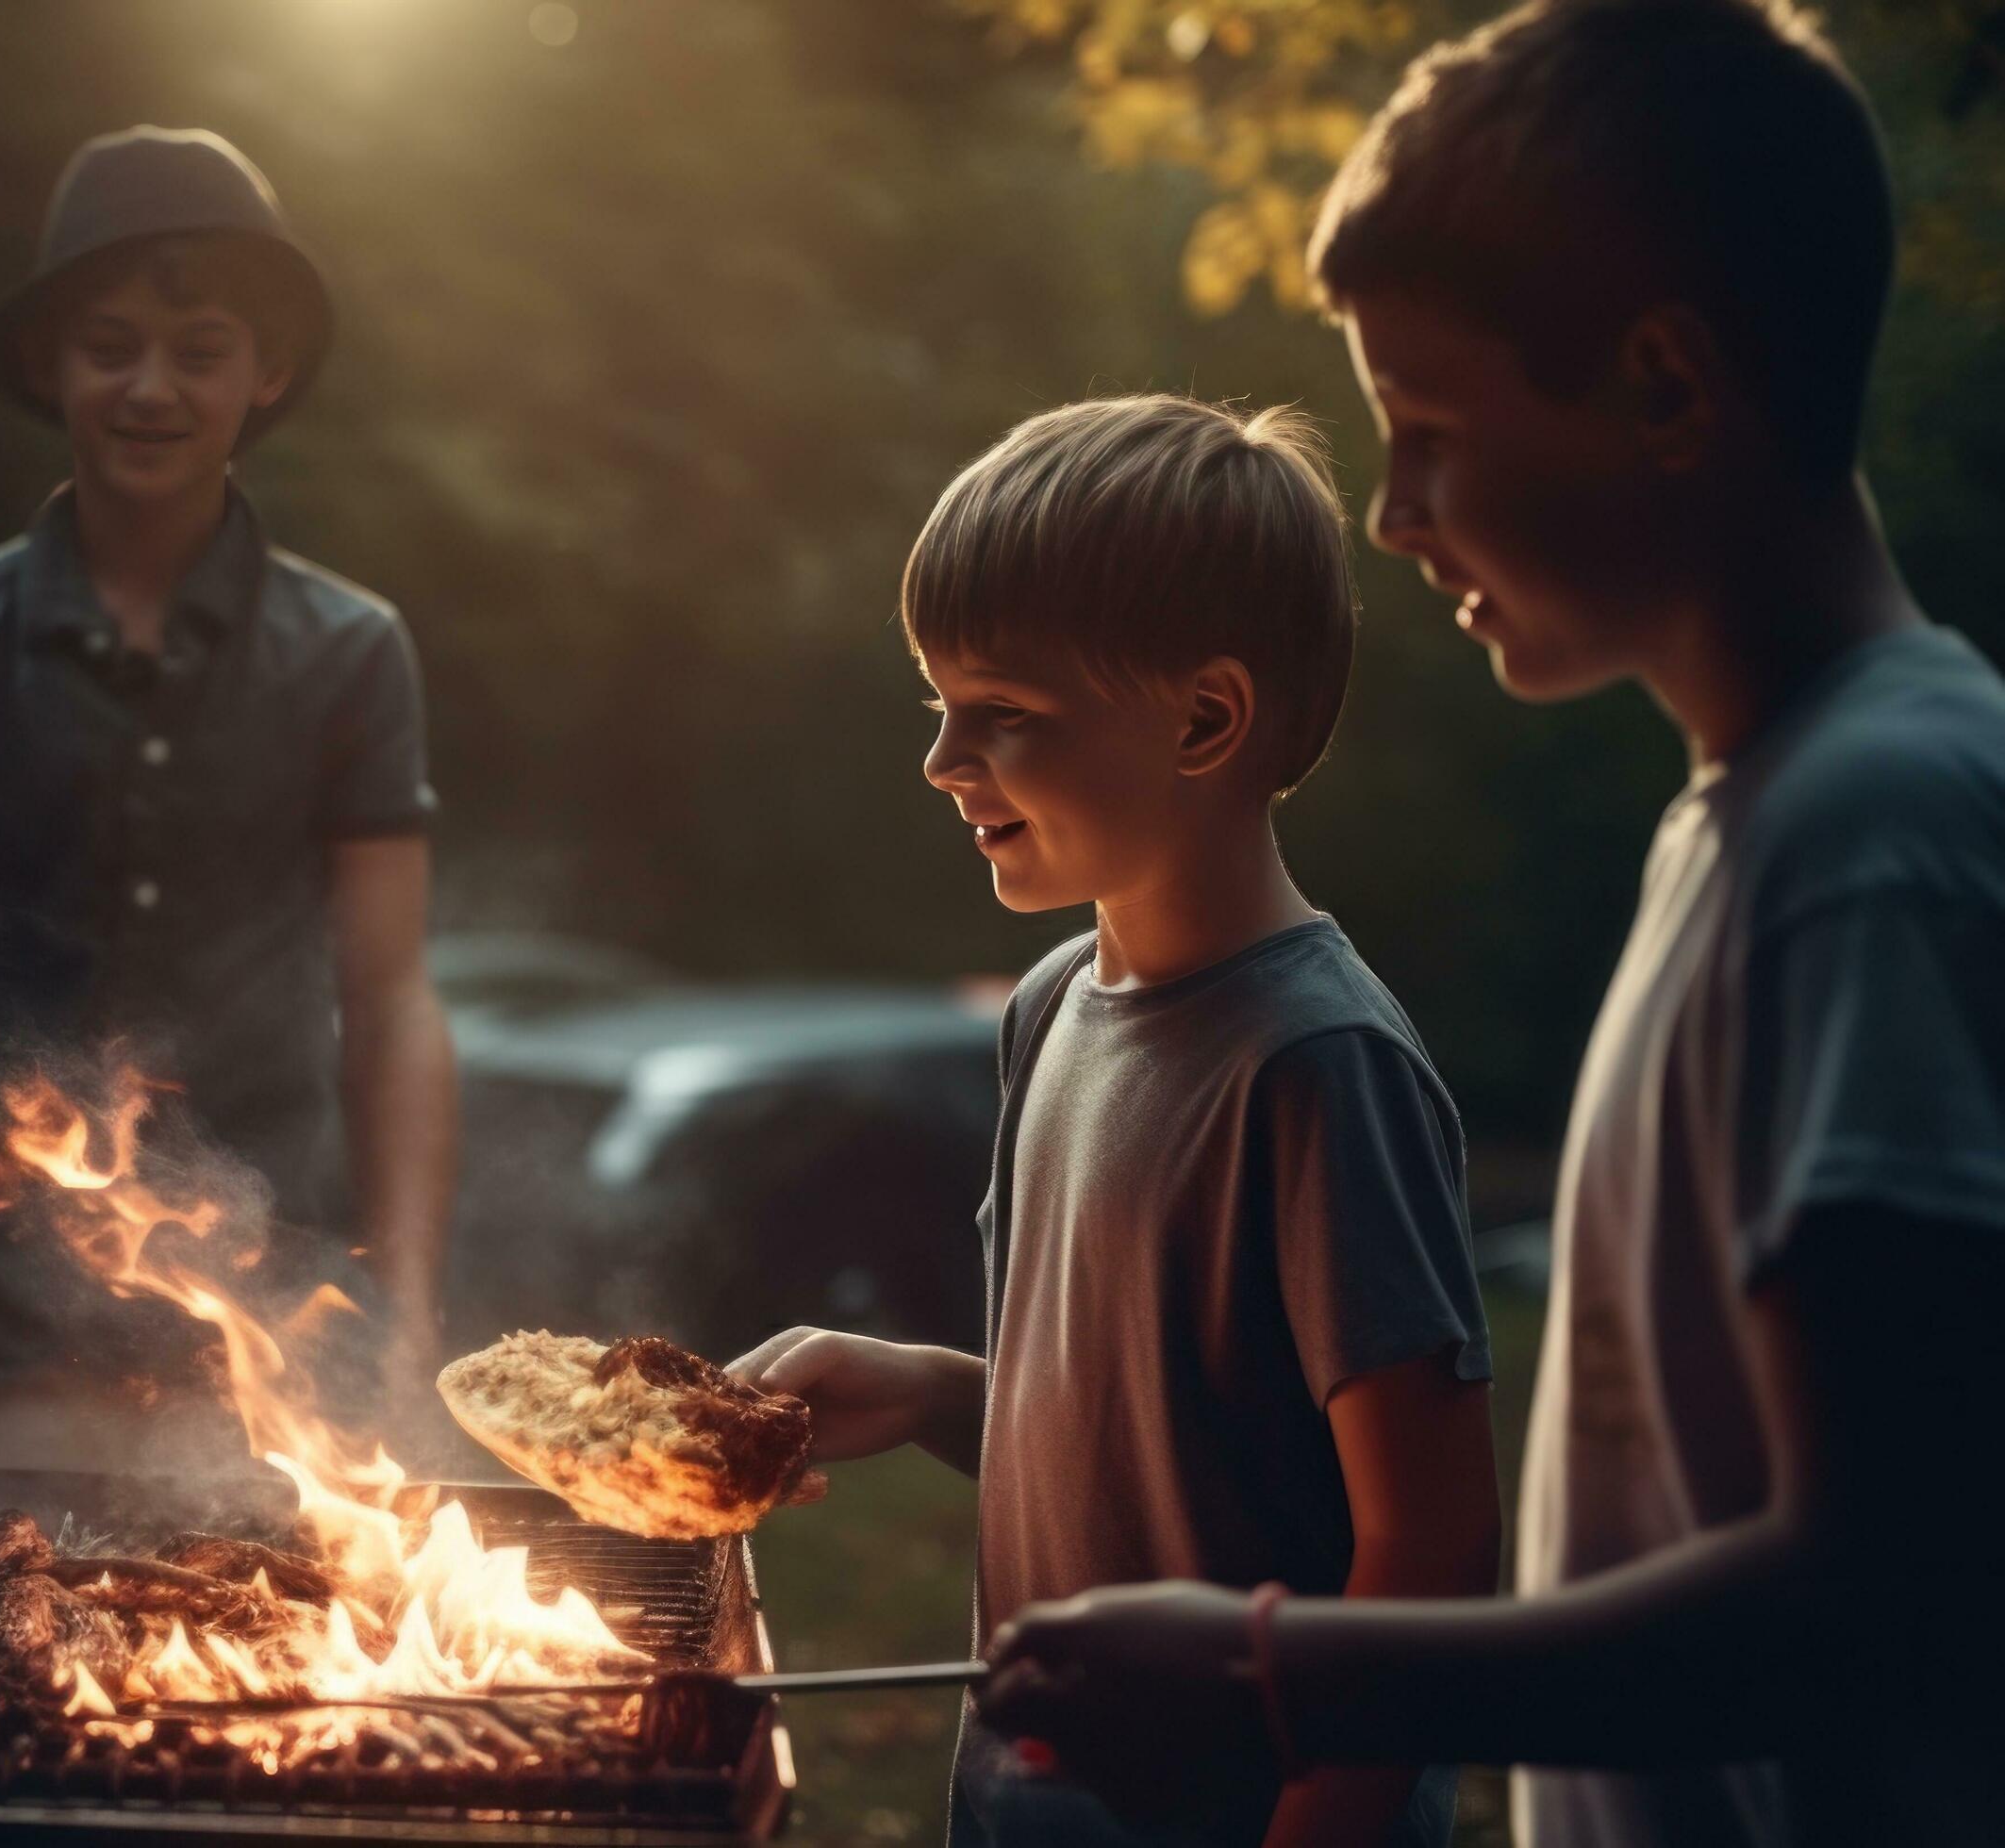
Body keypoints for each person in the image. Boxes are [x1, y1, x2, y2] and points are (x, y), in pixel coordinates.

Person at [974, 3, 2005, 1843]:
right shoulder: (1763, 818)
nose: (1392, 514)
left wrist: (1291, 1672)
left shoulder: (1871, 836)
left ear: (1668, 386)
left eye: (1431, 432)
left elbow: (1887, 1584)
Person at [733, 395, 1499, 1847]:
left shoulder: (1317, 1065)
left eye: (1000, 715)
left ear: (1203, 718)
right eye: (935, 705)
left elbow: (1432, 1542)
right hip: (1028, 1800)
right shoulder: (1046, 1008)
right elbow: (1166, 1446)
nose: (941, 759)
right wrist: (939, 1393)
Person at [0, 126, 455, 1444]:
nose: (149, 387)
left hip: (275, 1315)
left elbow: (389, 998)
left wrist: (400, 1296)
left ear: (265, 371)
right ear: (53, 363)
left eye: (199, 350)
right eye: (109, 343)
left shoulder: (351, 653)